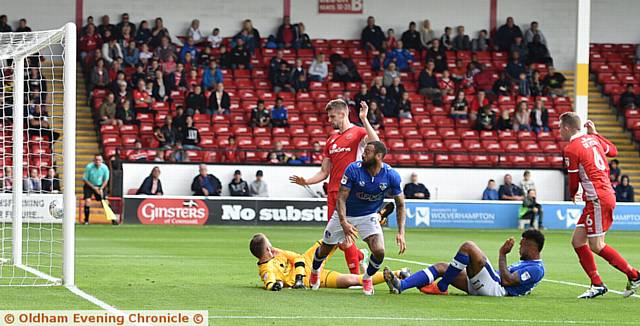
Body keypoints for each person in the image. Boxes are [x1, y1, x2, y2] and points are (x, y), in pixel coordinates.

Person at [289, 100, 380, 275]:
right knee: (338, 239)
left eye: (332, 116)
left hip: (351, 193)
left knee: (345, 238)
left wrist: (364, 119)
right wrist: (306, 181)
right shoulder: (331, 140)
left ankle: (356, 276)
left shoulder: (358, 132)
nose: (330, 120)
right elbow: (324, 171)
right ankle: (360, 258)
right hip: (333, 193)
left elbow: (376, 144)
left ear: (342, 113)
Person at [308, 141, 406, 296]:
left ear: (378, 156)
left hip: (368, 216)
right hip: (344, 213)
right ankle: (314, 270)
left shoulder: (391, 175)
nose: (363, 154)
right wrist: (343, 222)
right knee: (324, 249)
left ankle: (366, 278)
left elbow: (400, 204)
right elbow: (341, 198)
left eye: (367, 152)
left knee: (379, 251)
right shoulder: (354, 169)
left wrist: (401, 232)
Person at [560, 112, 640, 298]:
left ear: (566, 128)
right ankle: (597, 283)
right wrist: (595, 134)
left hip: (597, 199)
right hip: (600, 196)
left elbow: (573, 181)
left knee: (597, 245)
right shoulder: (592, 140)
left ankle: (634, 275)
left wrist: (573, 194)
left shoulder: (572, 149)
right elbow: (613, 151)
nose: (559, 131)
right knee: (578, 241)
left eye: (559, 127)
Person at [384, 230, 545, 297]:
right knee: (442, 267)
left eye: (522, 244)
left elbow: (507, 280)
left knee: (469, 247)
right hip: (488, 284)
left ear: (532, 246)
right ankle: (401, 285)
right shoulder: (529, 265)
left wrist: (502, 254)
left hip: (497, 289)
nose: (519, 248)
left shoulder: (536, 269)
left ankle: (441, 287)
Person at [250, 233, 408, 291]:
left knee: (334, 236)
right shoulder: (266, 269)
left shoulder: (275, 253)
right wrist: (274, 285)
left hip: (308, 261)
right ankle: (396, 274)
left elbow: (298, 258)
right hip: (308, 279)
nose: (273, 246)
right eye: (270, 245)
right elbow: (269, 282)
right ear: (267, 250)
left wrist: (297, 277)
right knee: (351, 281)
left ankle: (359, 251)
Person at [82, 155, 110, 225]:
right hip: (89, 185)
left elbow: (106, 180)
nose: (98, 161)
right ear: (94, 161)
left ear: (102, 161)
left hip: (100, 185)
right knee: (87, 201)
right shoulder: (89, 167)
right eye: (96, 160)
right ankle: (86, 220)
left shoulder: (105, 168)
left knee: (105, 201)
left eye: (99, 160)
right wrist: (94, 188)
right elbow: (85, 179)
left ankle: (113, 219)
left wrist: (101, 188)